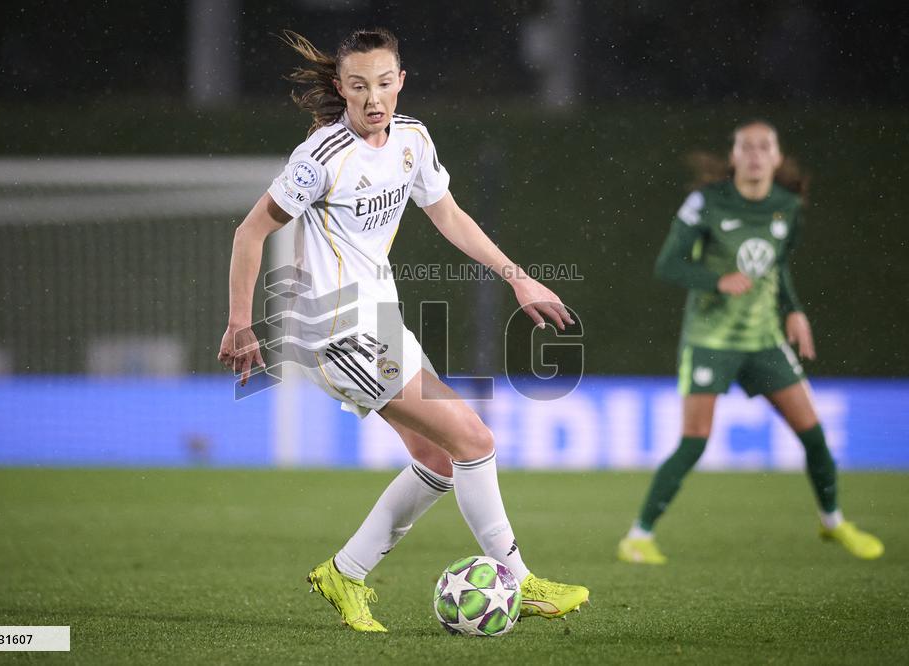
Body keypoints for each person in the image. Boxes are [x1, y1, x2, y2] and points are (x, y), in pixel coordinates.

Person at [218, 28, 589, 632]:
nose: (374, 99)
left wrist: (519, 278)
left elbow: (448, 214)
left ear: (401, 82)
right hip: (337, 334)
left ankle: (346, 572)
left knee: (440, 459)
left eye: (385, 84)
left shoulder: (412, 140)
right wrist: (240, 322)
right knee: (474, 439)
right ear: (340, 88)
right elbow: (249, 232)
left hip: (381, 324)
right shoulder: (322, 158)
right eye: (359, 86)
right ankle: (523, 584)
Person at [617, 120, 884, 564]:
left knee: (814, 436)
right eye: (747, 147)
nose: (756, 154)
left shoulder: (788, 206)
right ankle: (638, 536)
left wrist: (794, 310)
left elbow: (777, 267)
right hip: (710, 341)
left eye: (765, 147)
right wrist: (716, 280)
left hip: (763, 339)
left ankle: (833, 522)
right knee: (695, 441)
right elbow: (668, 265)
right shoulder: (706, 202)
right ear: (734, 156)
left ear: (777, 158)